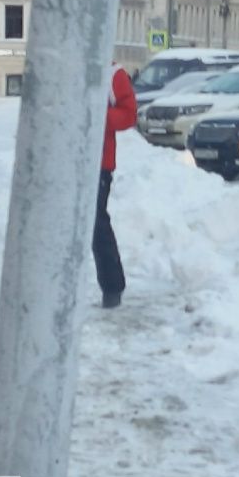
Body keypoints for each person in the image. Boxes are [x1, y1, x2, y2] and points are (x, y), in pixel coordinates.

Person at [94, 63, 137, 309]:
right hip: (63, 163)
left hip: (98, 165)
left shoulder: (112, 74)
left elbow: (129, 115)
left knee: (96, 225)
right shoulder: (64, 66)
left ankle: (112, 287)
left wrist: (97, 116)